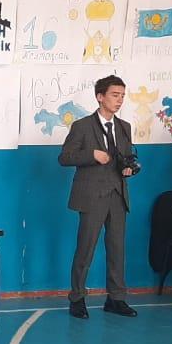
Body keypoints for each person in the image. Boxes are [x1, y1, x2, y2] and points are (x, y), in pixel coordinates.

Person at [59, 75, 138, 319]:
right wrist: (91, 154)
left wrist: (130, 168)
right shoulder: (82, 126)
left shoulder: (124, 127)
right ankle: (77, 298)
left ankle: (116, 298)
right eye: (115, 95)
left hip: (117, 194)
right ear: (100, 97)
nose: (119, 100)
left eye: (122, 96)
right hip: (92, 195)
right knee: (86, 248)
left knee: (117, 249)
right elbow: (65, 157)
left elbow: (127, 158)